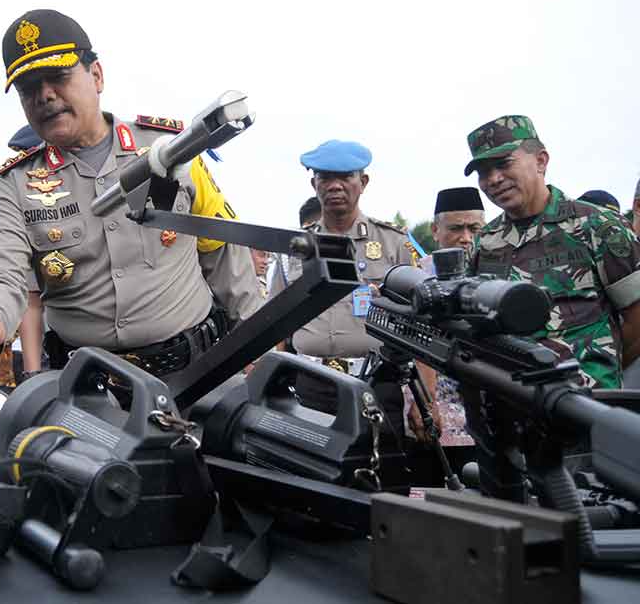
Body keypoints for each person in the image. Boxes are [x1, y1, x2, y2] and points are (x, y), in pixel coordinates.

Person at [0, 8, 260, 400]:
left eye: (59, 78)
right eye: (29, 88)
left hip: (199, 376)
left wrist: (258, 348)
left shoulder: (169, 150)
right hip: (87, 393)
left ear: (96, 76)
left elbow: (223, 256)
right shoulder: (14, 185)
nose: (45, 95)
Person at [464, 114, 640, 388]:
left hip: (582, 405)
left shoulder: (597, 226)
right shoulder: (485, 241)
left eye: (503, 164)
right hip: (509, 400)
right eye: (483, 172)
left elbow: (637, 319)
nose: (493, 179)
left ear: (541, 161)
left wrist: (598, 377)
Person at [267, 140, 421, 433]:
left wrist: (422, 397)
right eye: (325, 177)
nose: (335, 185)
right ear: (314, 183)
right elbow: (278, 322)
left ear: (362, 182)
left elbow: (418, 323)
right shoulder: (296, 246)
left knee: (382, 470)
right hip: (309, 381)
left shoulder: (394, 243)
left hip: (374, 380)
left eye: (345, 177)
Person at [407, 187, 486, 464]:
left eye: (474, 228)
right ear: (435, 230)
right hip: (434, 407)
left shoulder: (495, 273)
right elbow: (418, 339)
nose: (466, 238)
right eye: (456, 228)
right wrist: (425, 400)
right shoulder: (416, 277)